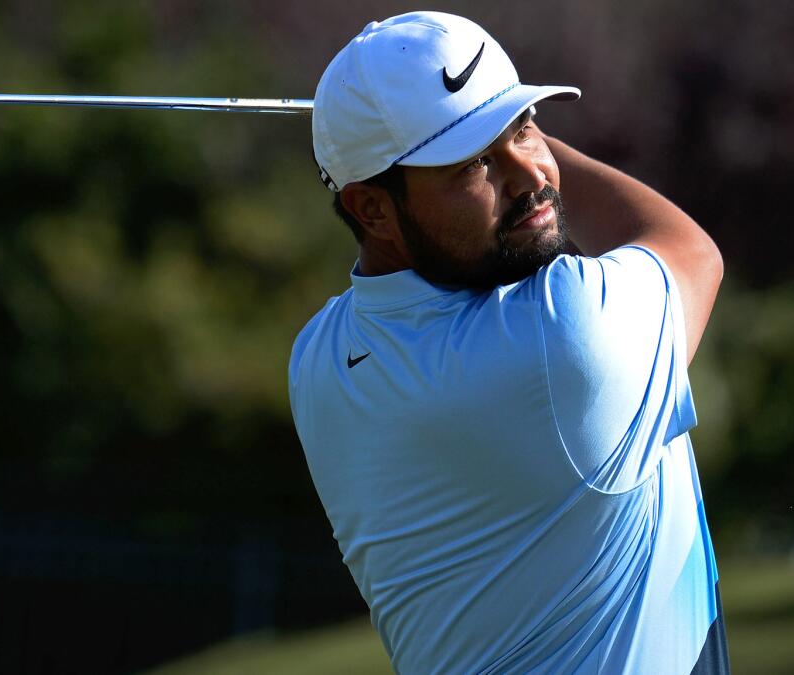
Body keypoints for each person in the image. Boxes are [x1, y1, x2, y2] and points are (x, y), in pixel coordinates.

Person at [289, 11, 727, 674]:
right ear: (373, 209)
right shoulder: (563, 338)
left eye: (524, 127)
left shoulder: (319, 360)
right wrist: (532, 136)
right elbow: (691, 251)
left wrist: (482, 132)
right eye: (475, 164)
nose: (529, 174)